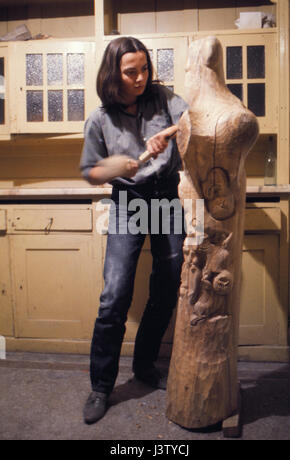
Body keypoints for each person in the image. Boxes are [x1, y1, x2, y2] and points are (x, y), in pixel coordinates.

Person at [80, 36, 188, 425]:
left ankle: (144, 366)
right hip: (127, 202)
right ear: (114, 74)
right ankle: (101, 386)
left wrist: (171, 132)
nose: (141, 77)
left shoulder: (163, 98)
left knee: (168, 283)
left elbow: (197, 117)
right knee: (114, 295)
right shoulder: (99, 118)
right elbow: (90, 171)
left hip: (164, 197)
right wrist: (117, 166)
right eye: (131, 71)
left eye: (144, 69)